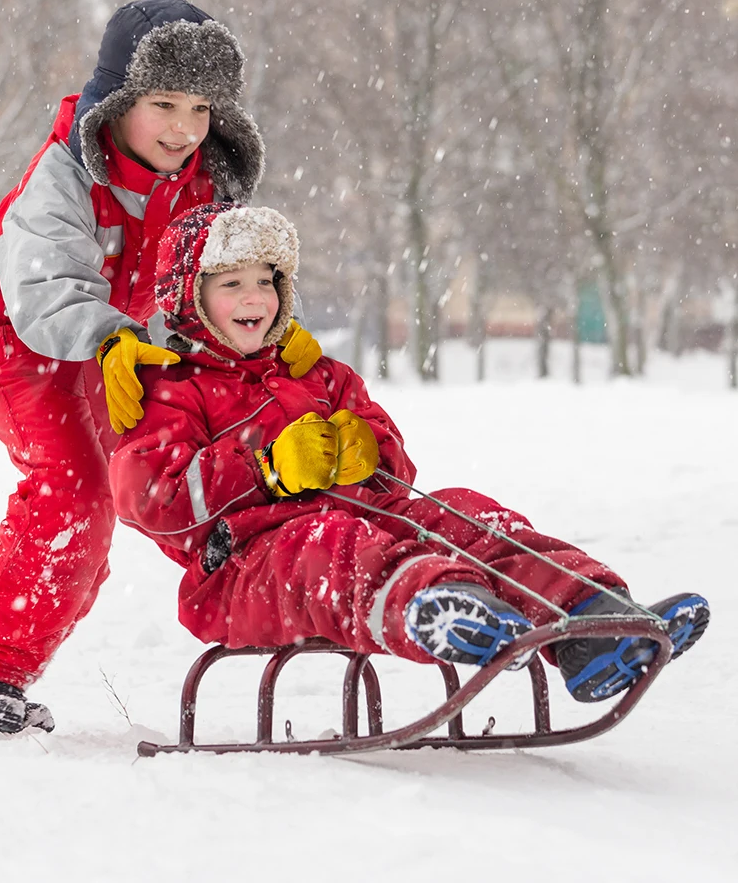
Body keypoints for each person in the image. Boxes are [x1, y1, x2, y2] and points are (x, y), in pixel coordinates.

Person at [0, 0, 321, 734]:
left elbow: (209, 290)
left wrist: (271, 343)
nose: (184, 128)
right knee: (75, 492)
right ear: (119, 101)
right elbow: (46, 280)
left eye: (200, 107)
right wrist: (108, 337)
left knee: (160, 482)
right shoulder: (65, 173)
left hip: (126, 348)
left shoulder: (205, 189)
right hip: (16, 336)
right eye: (163, 103)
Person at [108, 202, 710, 705]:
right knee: (326, 544)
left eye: (265, 281)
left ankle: (592, 622)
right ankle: (438, 607)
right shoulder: (169, 386)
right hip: (248, 567)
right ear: (189, 298)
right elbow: (150, 499)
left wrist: (368, 451)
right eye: (232, 283)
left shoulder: (316, 374)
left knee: (462, 514)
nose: (254, 297)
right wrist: (265, 468)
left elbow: (396, 472)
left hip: (368, 523)